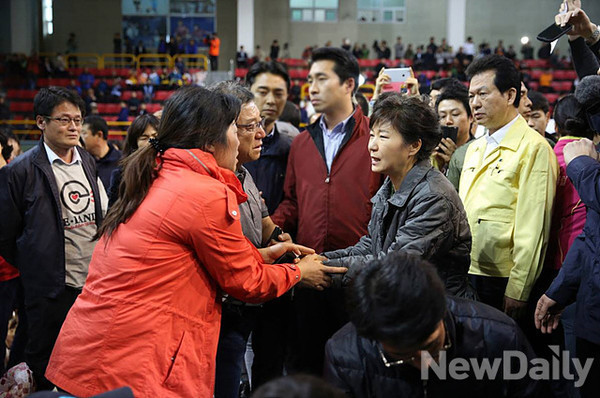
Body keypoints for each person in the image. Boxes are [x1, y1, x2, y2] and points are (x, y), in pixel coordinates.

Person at [44, 86, 343, 397]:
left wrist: (264, 256)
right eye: (236, 127)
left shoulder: (163, 172)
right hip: (131, 359)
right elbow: (246, 282)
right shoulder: (203, 192)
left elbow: (200, 256)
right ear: (209, 140)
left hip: (102, 349)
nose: (247, 139)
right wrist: (298, 273)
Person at [272, 47, 382, 375]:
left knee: (358, 368)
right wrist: (268, 227)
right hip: (310, 273)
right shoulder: (302, 144)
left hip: (359, 275)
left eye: (322, 79)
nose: (312, 88)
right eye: (309, 80)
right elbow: (292, 201)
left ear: (349, 84)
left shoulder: (375, 138)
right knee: (306, 365)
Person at [0, 87, 108, 390]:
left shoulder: (87, 160)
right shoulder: (19, 171)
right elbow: (6, 236)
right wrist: (35, 264)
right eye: (64, 120)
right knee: (46, 365)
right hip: (49, 289)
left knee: (85, 364)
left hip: (90, 284)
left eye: (77, 119)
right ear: (41, 122)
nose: (73, 127)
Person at [324, 252, 539, 397]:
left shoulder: (498, 336)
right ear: (374, 339)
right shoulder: (346, 355)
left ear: (443, 308)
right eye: (402, 357)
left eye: (433, 347)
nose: (425, 364)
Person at [324, 94, 473, 298]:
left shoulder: (433, 196)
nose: (372, 146)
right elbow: (372, 244)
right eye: (372, 135)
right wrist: (320, 260)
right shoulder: (391, 183)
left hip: (436, 310)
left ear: (414, 146)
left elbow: (396, 262)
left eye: (383, 137)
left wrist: (324, 271)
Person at [209, 82, 292, 398]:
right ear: (223, 131)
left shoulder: (243, 172)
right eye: (250, 127)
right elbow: (233, 262)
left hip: (244, 308)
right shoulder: (211, 186)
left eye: (260, 125)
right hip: (223, 316)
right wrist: (296, 271)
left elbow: (265, 224)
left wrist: (281, 242)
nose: (261, 134)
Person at [460, 55, 558, 317]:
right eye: (471, 96)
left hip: (502, 278)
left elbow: (534, 225)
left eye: (483, 93)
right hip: (467, 270)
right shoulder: (474, 149)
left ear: (510, 94)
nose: (475, 103)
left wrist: (519, 287)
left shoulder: (534, 148)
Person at [535, 75, 600, 398]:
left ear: (555, 124)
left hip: (552, 274)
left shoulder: (545, 156)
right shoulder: (588, 161)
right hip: (581, 280)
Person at [244, 61, 299, 214]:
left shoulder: (291, 148)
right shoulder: (230, 145)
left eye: (278, 94)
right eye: (262, 92)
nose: (271, 100)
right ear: (248, 92)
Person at [107, 114, 159, 207]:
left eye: (155, 136)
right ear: (135, 143)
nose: (151, 142)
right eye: (144, 138)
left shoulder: (170, 169)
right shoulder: (121, 175)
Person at [436, 84, 477, 190]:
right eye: (442, 116)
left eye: (455, 114)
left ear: (471, 117)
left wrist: (455, 162)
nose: (448, 121)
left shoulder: (479, 151)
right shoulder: (433, 152)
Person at [80, 115, 122, 189]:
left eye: (84, 133)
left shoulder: (123, 161)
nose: (79, 138)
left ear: (99, 135)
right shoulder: (82, 161)